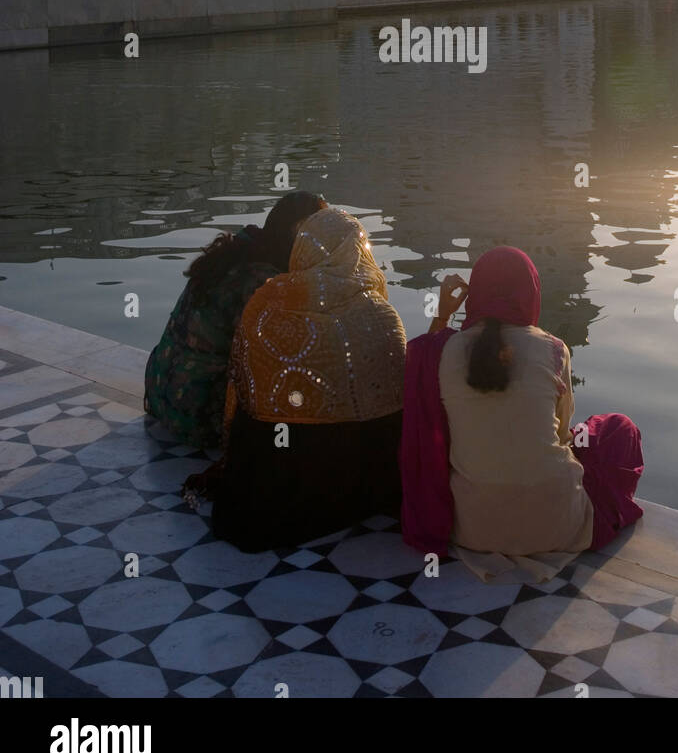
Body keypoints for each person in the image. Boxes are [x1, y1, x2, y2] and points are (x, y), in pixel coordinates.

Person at [400, 247, 644, 575]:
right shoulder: (554, 349)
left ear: (476, 294)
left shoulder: (443, 351)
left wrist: (443, 315)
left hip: (472, 529)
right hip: (557, 527)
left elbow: (424, 395)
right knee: (617, 428)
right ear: (531, 293)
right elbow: (563, 436)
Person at [206, 208, 406, 552]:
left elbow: (241, 394)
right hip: (370, 482)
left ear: (304, 251)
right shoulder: (384, 316)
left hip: (284, 488)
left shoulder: (270, 302)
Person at [144, 191, 325, 449]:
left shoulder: (237, 252)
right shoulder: (263, 282)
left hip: (160, 391)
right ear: (298, 237)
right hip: (196, 415)